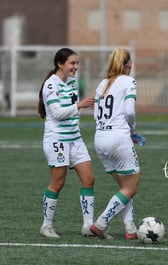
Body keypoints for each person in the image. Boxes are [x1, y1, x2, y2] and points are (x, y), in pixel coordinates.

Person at [38, 47, 96, 238]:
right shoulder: (50, 85)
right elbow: (56, 113)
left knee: (89, 179)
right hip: (57, 140)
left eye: (77, 63)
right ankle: (46, 226)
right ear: (59, 64)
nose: (76, 67)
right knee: (57, 183)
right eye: (72, 63)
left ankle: (88, 226)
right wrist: (79, 105)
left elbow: (71, 112)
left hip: (75, 138)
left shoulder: (72, 82)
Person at [90, 48, 141, 240]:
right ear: (129, 65)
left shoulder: (102, 84)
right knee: (131, 187)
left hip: (100, 139)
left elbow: (96, 114)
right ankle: (101, 223)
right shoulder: (129, 81)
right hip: (118, 138)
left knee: (124, 188)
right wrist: (132, 129)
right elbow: (129, 111)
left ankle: (131, 229)